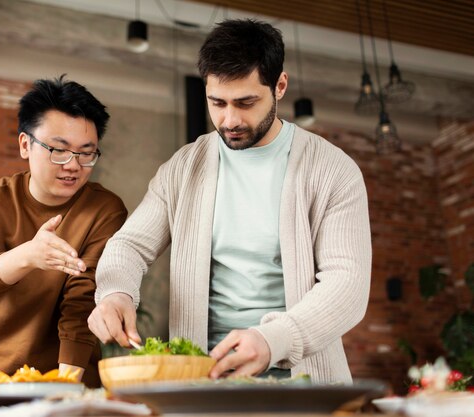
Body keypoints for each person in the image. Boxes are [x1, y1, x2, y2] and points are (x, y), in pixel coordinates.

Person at [88, 19, 371, 383]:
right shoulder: (182, 168)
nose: (230, 119)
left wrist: (273, 339)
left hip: (304, 380)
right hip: (203, 379)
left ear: (280, 86)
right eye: (217, 102)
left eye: (246, 102)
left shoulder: (333, 170)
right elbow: (130, 245)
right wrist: (115, 293)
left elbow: (347, 284)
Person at [0, 75, 127, 393]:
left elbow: (82, 299)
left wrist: (62, 388)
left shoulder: (105, 209)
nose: (73, 165)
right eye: (59, 150)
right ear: (25, 145)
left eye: (87, 153)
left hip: (72, 384)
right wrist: (28, 255)